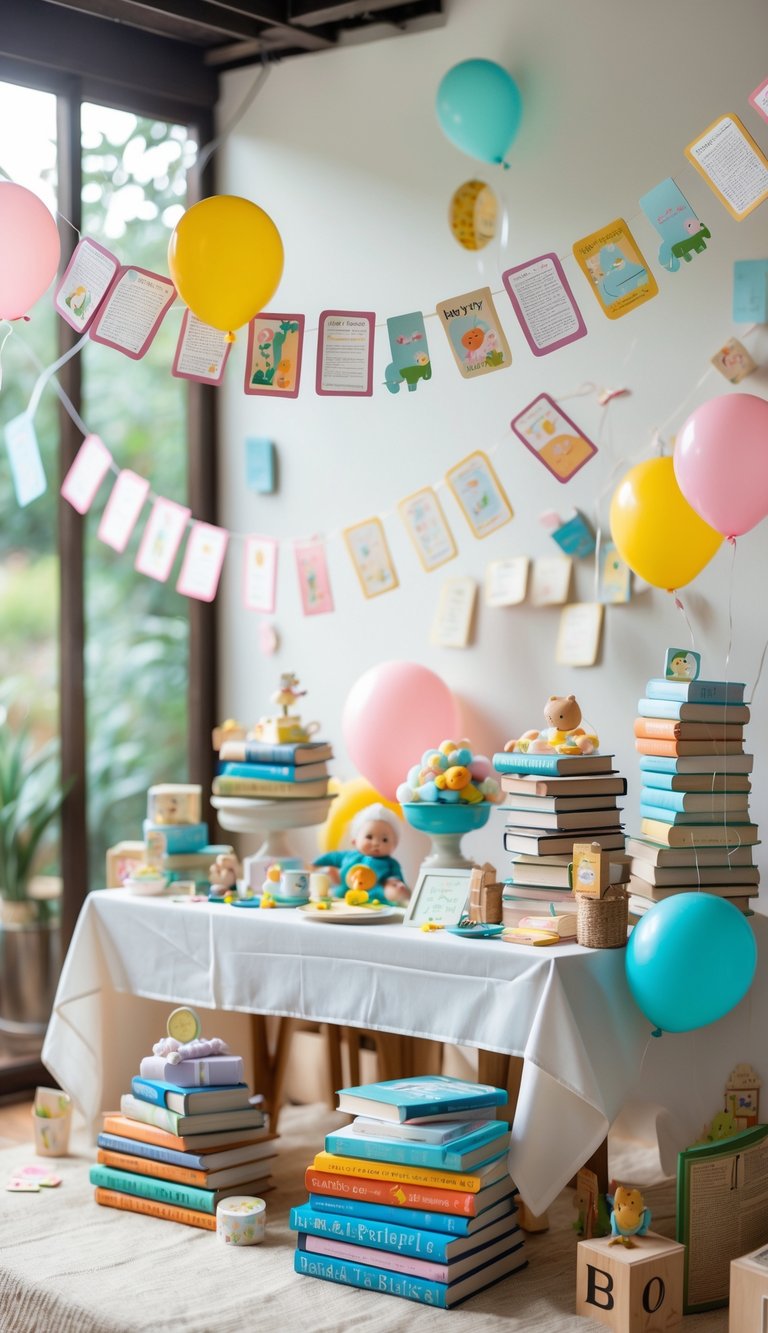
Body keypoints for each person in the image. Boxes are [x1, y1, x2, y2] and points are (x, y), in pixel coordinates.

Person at [314, 803, 409, 904]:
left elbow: (397, 878)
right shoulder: (350, 856)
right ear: (355, 841)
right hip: (345, 895)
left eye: (384, 840)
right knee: (332, 877)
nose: (376, 843)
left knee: (393, 891)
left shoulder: (391, 864)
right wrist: (315, 864)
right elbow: (331, 857)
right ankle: (336, 879)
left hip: (375, 899)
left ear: (394, 845)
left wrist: (395, 885)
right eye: (369, 837)